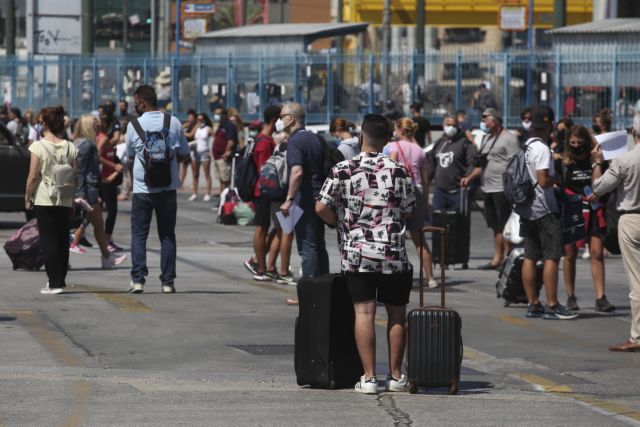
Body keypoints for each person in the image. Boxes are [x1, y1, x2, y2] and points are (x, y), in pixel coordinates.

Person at [316, 113, 416, 395]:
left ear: (361, 137)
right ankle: (396, 375)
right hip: (393, 254)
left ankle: (369, 377)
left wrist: (341, 224)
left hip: (357, 253)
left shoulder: (342, 169)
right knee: (397, 314)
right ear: (386, 140)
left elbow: (320, 207)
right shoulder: (399, 170)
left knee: (364, 312)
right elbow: (409, 208)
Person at [125, 85, 189, 294]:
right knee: (167, 235)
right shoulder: (174, 122)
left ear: (142, 103)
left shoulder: (133, 125)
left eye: (136, 103)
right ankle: (167, 282)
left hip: (143, 190)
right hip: (168, 189)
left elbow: (130, 155)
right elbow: (184, 154)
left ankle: (138, 280)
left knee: (139, 235)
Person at [516, 106, 578, 320]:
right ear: (550, 125)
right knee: (552, 256)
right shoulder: (542, 149)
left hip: (526, 208)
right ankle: (552, 304)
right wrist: (557, 180)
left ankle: (533, 304)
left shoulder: (526, 146)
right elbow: (543, 181)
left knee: (530, 256)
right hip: (544, 208)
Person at [591, 113, 640, 351]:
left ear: (633, 133)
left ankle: (637, 336)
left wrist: (598, 162)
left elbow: (599, 187)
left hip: (631, 218)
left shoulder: (624, 160)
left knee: (637, 281)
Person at [556, 125, 615, 312]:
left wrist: (596, 162)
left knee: (597, 253)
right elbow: (558, 184)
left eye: (579, 143)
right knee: (570, 254)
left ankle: (600, 297)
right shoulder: (564, 162)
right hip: (572, 209)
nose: (576, 146)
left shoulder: (596, 160)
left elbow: (597, 185)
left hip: (594, 208)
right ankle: (571, 296)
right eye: (572, 143)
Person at [24, 106, 78, 295]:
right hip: (64, 198)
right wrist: (72, 200)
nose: (38, 125)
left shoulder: (38, 146)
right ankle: (60, 280)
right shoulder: (70, 146)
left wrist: (27, 197)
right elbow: (74, 176)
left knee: (48, 241)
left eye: (39, 122)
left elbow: (33, 175)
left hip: (44, 198)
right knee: (63, 240)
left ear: (45, 124)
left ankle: (53, 282)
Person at [461, 108, 519, 269]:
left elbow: (516, 164)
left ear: (495, 121)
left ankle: (509, 258)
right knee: (495, 225)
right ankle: (497, 257)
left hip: (502, 188)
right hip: (488, 187)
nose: (483, 122)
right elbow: (483, 164)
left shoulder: (509, 138)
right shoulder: (487, 138)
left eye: (486, 118)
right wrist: (470, 178)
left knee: (506, 225)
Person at [278, 102, 329, 278]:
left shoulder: (295, 141)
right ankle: (324, 290)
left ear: (290, 119)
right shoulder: (315, 138)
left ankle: (311, 296)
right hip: (319, 198)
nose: (279, 120)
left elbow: (297, 172)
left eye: (281, 116)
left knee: (307, 247)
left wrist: (289, 199)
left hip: (304, 201)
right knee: (318, 245)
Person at [70, 114, 127, 268]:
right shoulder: (86, 145)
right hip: (87, 191)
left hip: (90, 189)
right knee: (95, 224)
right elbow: (79, 171)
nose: (98, 125)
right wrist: (81, 194)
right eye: (94, 123)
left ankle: (107, 257)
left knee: (98, 224)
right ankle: (105, 257)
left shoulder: (84, 143)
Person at [388, 118, 437, 287]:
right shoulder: (419, 150)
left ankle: (397, 277)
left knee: (394, 238)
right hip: (418, 193)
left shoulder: (394, 147)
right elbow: (425, 180)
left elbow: (392, 171)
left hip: (400, 194)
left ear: (400, 130)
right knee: (420, 239)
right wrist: (425, 202)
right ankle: (430, 278)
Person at [244, 105, 282, 281]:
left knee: (277, 227)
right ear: (274, 120)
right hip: (264, 191)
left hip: (266, 191)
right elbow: (265, 170)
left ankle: (259, 263)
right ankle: (260, 267)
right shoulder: (264, 142)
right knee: (262, 228)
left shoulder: (264, 139)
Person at [428, 114, 477, 211]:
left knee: (457, 222)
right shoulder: (439, 143)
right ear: (443, 126)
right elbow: (432, 165)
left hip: (458, 192)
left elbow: (473, 163)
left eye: (454, 125)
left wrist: (467, 177)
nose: (451, 127)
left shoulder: (465, 143)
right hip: (440, 192)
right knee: (437, 222)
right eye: (448, 124)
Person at [97, 114, 124, 252]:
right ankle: (107, 239)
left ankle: (78, 235)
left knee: (96, 209)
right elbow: (97, 156)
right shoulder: (103, 138)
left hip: (107, 178)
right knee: (112, 210)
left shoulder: (102, 138)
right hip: (106, 179)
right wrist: (114, 166)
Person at [211, 108, 238, 195]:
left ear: (224, 115)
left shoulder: (229, 125)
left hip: (224, 158)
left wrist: (226, 153)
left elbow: (231, 141)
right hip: (217, 157)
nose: (217, 116)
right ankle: (222, 199)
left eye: (219, 114)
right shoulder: (221, 126)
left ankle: (227, 199)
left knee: (226, 180)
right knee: (221, 180)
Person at [188, 113, 214, 202]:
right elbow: (190, 135)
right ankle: (195, 193)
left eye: (201, 120)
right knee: (195, 174)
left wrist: (211, 150)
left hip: (205, 152)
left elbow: (215, 138)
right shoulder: (197, 128)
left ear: (205, 120)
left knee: (207, 174)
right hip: (196, 152)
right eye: (198, 119)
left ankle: (207, 193)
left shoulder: (208, 129)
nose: (199, 121)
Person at [179, 109, 197, 191]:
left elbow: (190, 135)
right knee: (184, 166)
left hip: (194, 149)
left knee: (194, 168)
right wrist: (183, 126)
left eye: (191, 117)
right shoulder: (188, 124)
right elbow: (179, 128)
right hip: (187, 148)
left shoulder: (197, 125)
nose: (189, 119)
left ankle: (194, 184)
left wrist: (182, 132)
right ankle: (180, 184)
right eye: (189, 117)